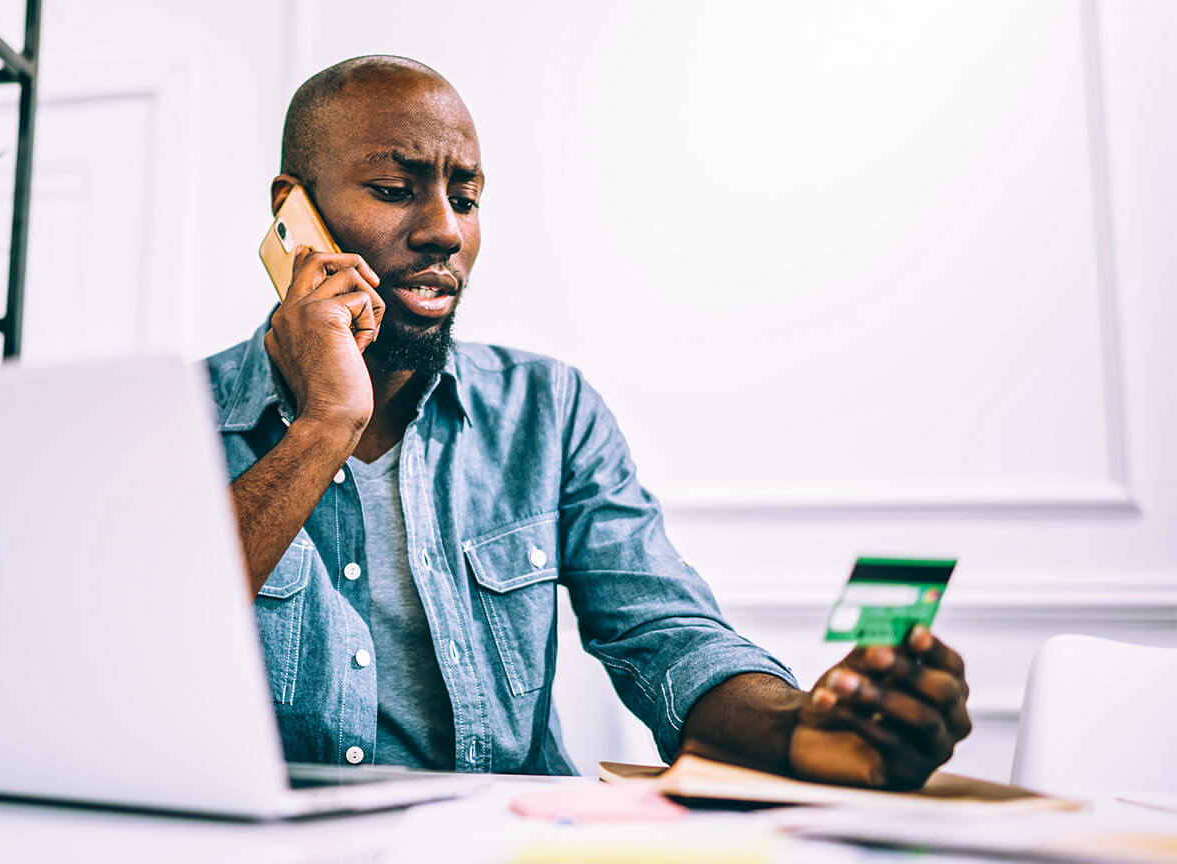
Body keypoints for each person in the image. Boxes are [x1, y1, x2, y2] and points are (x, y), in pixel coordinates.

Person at [204, 55, 970, 787]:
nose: (445, 231)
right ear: (292, 213)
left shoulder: (550, 410)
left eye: (466, 199)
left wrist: (802, 727)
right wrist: (325, 424)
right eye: (394, 188)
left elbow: (669, 637)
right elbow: (136, 657)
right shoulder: (180, 424)